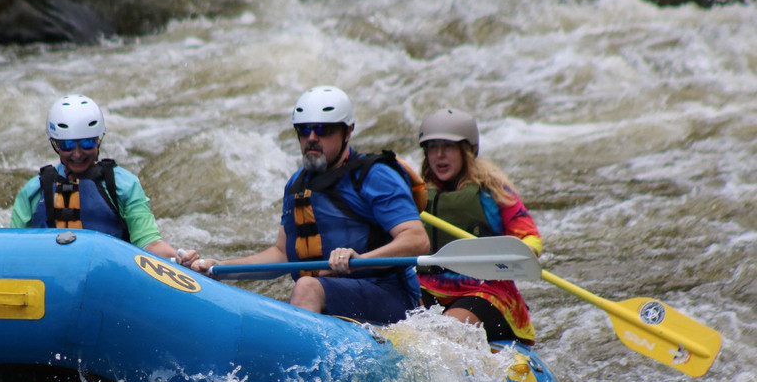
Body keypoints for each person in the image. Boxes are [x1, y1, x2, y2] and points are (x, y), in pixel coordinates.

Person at [191, 86, 430, 323]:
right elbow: (282, 254)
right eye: (304, 130)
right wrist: (220, 268)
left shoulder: (374, 175)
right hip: (331, 297)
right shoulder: (297, 183)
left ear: (348, 132)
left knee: (306, 287)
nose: (311, 139)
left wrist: (360, 259)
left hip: (390, 297)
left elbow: (417, 240)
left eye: (322, 130)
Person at [10, 94, 195, 263]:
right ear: (55, 144)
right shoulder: (34, 191)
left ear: (98, 140)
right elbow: (13, 247)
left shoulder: (123, 185)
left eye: (87, 143)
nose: (77, 154)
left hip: (108, 272)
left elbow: (149, 243)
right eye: (67, 145)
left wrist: (180, 259)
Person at [417, 107, 542, 343]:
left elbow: (529, 235)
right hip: (428, 287)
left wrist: (526, 251)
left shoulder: (493, 191)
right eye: (433, 147)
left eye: (449, 146)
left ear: (468, 150)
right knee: (402, 322)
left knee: (444, 332)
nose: (440, 155)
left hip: (484, 290)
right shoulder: (416, 194)